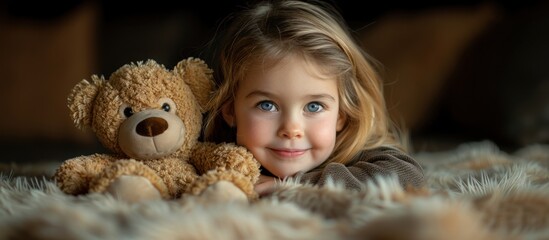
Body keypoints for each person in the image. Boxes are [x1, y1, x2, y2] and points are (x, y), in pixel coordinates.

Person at [203, 0, 425, 196]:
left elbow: (409, 177)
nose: (291, 129)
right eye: (267, 105)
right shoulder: (214, 154)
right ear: (230, 110)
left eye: (314, 106)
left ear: (342, 115)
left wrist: (294, 184)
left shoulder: (353, 152)